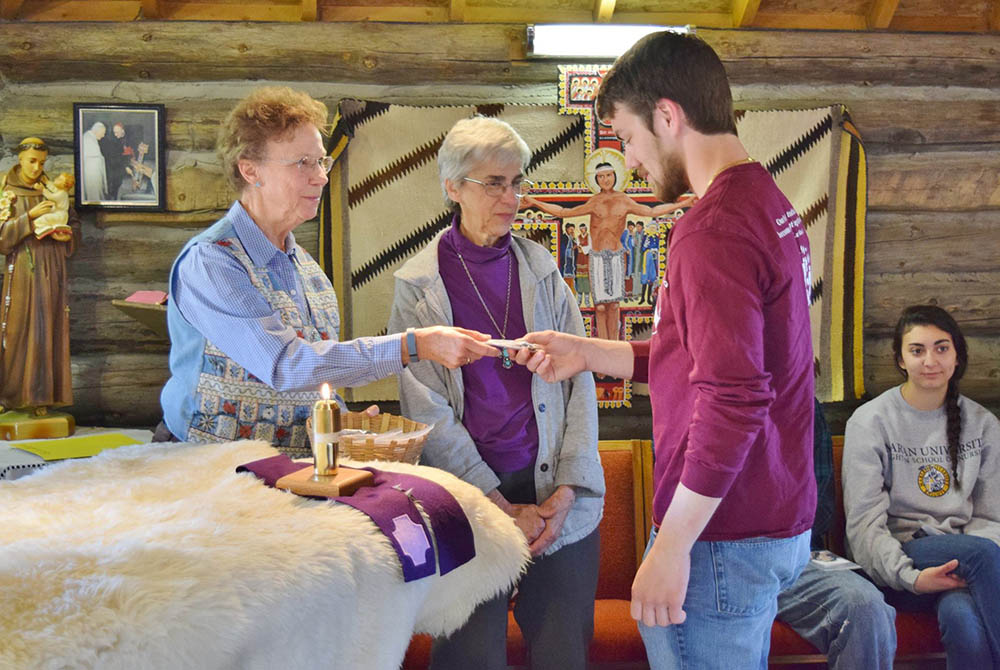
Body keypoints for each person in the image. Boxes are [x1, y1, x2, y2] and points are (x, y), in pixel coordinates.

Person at [514, 30, 815, 669]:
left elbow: (734, 398)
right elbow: (702, 354)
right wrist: (587, 351)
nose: (629, 162)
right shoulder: (768, 201)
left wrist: (672, 545)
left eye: (628, 138)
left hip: (717, 532)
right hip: (768, 512)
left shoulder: (711, 230)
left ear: (668, 115)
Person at [160, 87, 497, 450]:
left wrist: (339, 421)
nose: (321, 177)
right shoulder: (211, 263)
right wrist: (413, 345)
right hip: (209, 472)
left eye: (321, 161)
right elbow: (285, 365)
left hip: (292, 470)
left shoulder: (305, 267)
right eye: (303, 162)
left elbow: (314, 375)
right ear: (250, 169)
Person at [388, 116, 604, 670]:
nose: (512, 197)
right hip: (467, 498)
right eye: (494, 183)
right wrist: (495, 503)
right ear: (452, 188)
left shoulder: (542, 269)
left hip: (554, 487)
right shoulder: (419, 287)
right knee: (469, 655)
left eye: (517, 182)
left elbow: (580, 377)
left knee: (563, 652)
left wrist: (570, 487)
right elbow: (425, 407)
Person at [843, 305, 1000, 669]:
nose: (930, 360)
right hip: (898, 559)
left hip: (973, 563)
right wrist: (911, 577)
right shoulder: (870, 422)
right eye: (917, 350)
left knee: (962, 617)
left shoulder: (983, 424)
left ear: (957, 355)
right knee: (982, 555)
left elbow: (993, 517)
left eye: (941, 348)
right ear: (900, 358)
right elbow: (864, 528)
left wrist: (966, 568)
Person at [776, 398, 897, 669]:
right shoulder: (701, 398)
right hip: (722, 558)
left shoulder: (803, 401)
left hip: (797, 553)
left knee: (865, 607)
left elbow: (821, 510)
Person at [525, 161, 690, 340]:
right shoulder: (594, 202)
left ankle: (614, 348)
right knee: (601, 307)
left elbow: (652, 211)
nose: (605, 180)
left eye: (609, 175)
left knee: (614, 307)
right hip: (597, 257)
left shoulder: (624, 200)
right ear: (596, 179)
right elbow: (564, 212)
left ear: (615, 176)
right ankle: (603, 352)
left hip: (616, 256)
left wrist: (685, 203)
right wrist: (534, 202)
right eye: (601, 176)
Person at [0, 137, 80, 415]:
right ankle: (10, 396)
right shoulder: (7, 190)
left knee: (47, 329)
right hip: (22, 268)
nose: (37, 167)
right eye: (32, 161)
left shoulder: (52, 188)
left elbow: (74, 223)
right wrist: (30, 218)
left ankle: (41, 397)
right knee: (18, 329)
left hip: (52, 266)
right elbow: (2, 239)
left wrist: (66, 231)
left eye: (42, 162)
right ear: (20, 160)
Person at [31, 172, 75, 240]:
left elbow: (51, 197)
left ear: (64, 185)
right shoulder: (60, 191)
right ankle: (42, 228)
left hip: (60, 216)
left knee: (45, 218)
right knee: (46, 217)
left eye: (60, 179)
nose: (56, 179)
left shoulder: (62, 194)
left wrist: (42, 189)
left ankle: (41, 229)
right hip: (57, 213)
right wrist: (47, 182)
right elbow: (54, 189)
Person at [80, 121, 108, 202]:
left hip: (95, 172)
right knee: (93, 194)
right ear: (97, 131)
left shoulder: (91, 137)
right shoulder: (87, 138)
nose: (103, 136)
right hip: (91, 174)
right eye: (103, 133)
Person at [574, 222, 592, 308]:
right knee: (580, 278)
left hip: (586, 258)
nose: (582, 230)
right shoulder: (578, 237)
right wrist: (579, 248)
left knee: (586, 279)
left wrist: (583, 249)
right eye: (581, 229)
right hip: (580, 258)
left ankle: (587, 301)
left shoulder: (589, 237)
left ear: (586, 229)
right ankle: (579, 300)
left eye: (583, 228)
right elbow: (578, 246)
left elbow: (590, 247)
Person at [560, 221, 576, 294]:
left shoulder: (571, 237)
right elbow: (563, 249)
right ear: (566, 229)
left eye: (573, 229)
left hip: (571, 258)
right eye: (570, 229)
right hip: (565, 258)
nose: (572, 231)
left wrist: (574, 240)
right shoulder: (563, 237)